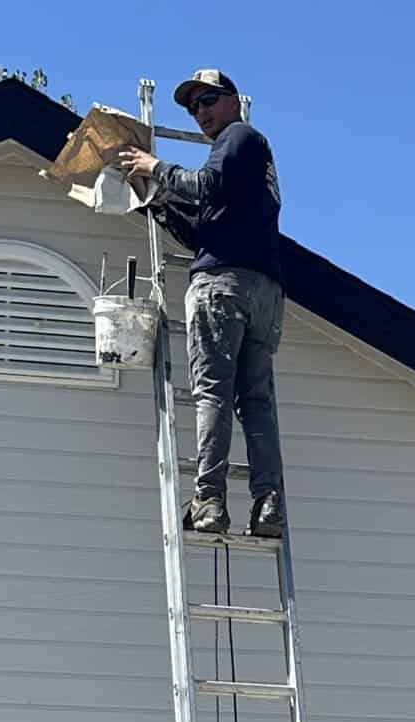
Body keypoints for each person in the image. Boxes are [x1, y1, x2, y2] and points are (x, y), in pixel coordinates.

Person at [117, 69, 287, 539]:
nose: (201, 112)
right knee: (255, 402)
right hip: (264, 292)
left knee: (212, 392)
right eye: (193, 107)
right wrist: (157, 202)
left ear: (233, 101)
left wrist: (156, 168)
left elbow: (205, 185)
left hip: (224, 288)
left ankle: (209, 500)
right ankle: (268, 501)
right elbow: (201, 228)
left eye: (208, 100)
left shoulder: (239, 137)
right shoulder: (247, 169)